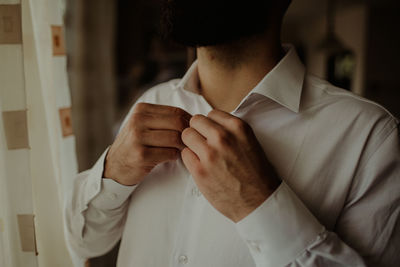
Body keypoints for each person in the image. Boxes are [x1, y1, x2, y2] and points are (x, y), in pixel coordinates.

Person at [65, 0, 400, 266]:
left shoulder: (371, 137)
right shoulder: (153, 101)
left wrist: (260, 205)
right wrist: (112, 173)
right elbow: (83, 243)